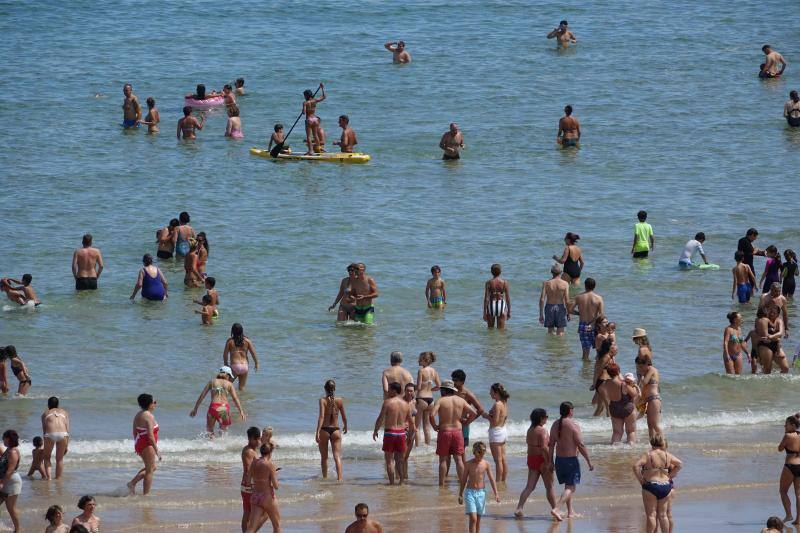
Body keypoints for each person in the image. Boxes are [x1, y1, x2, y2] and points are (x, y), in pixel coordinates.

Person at [549, 401, 593, 521]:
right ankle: (557, 508)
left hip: (559, 460)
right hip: (570, 461)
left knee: (567, 486)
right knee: (571, 488)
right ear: (570, 411)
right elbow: (581, 445)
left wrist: (550, 461)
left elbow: (551, 445)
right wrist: (589, 461)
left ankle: (570, 512)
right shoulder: (573, 425)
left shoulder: (554, 424)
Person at [429, 380, 478, 486]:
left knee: (443, 460)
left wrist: (434, 426)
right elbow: (474, 413)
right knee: (459, 459)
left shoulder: (441, 401)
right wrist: (466, 423)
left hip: (445, 431)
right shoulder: (460, 400)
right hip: (457, 432)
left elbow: (432, 415)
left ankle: (441, 485)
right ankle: (462, 483)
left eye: (441, 389)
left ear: (444, 390)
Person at [632, 433, 683, 533]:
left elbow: (635, 466)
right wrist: (670, 475)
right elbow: (680, 464)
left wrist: (641, 480)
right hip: (665, 486)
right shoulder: (667, 455)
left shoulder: (648, 455)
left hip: (651, 486)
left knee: (651, 515)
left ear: (652, 443)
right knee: (663, 515)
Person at [514, 408, 556, 518]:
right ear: (541, 418)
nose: (547, 418)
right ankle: (555, 509)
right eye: (546, 416)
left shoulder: (530, 430)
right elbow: (544, 448)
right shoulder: (542, 430)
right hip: (542, 460)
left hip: (531, 458)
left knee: (529, 486)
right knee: (549, 487)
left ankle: (519, 507)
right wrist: (550, 462)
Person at [372, 381, 415, 485]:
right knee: (400, 460)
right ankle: (401, 482)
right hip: (401, 433)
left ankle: (391, 483)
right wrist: (410, 435)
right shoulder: (406, 404)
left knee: (389, 460)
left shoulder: (387, 402)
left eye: (390, 389)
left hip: (390, 433)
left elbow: (380, 418)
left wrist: (375, 430)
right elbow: (411, 422)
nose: (388, 391)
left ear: (394, 390)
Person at [190, 367, 246, 436]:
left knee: (210, 431)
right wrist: (241, 411)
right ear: (227, 375)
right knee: (223, 431)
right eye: (229, 376)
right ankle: (221, 445)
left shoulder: (212, 381)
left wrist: (195, 408)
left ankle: (212, 445)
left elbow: (202, 395)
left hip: (213, 407)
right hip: (223, 408)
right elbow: (235, 398)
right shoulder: (229, 384)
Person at [458, 442, 500, 533]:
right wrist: (460, 494)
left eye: (482, 455)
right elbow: (464, 479)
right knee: (473, 518)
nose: (480, 457)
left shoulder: (486, 464)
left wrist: (496, 493)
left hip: (481, 493)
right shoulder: (468, 464)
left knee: (478, 519)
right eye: (478, 454)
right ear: (474, 452)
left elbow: (492, 479)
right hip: (470, 493)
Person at [126, 394, 160, 495]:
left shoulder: (139, 414)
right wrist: (157, 450)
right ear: (149, 404)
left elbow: (134, 432)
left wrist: (137, 445)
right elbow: (150, 436)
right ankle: (146, 495)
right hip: (147, 444)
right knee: (150, 470)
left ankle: (132, 483)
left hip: (141, 443)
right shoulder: (148, 416)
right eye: (154, 402)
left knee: (152, 467)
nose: (155, 404)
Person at [245, 442, 280, 533]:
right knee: (276, 525)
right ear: (270, 453)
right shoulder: (269, 465)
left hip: (256, 496)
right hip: (268, 497)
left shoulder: (254, 463)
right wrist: (275, 474)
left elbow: (248, 482)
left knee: (251, 527)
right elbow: (276, 486)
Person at [316, 379, 347, 481]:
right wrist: (346, 425)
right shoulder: (340, 400)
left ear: (325, 389)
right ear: (335, 389)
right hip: (336, 430)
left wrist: (317, 432)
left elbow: (321, 417)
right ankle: (340, 478)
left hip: (324, 430)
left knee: (324, 458)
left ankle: (325, 478)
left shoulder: (322, 400)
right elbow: (344, 416)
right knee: (337, 456)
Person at [599, 363, 638, 444]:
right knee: (631, 431)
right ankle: (631, 449)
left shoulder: (604, 384)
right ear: (618, 372)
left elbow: (602, 393)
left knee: (617, 432)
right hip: (627, 408)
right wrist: (634, 385)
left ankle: (614, 450)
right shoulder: (623, 384)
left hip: (613, 408)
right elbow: (634, 394)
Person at [452, 369, 485, 451]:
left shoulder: (467, 394)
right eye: (452, 379)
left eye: (456, 380)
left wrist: (468, 421)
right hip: (451, 424)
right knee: (450, 450)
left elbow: (480, 409)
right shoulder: (451, 391)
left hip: (463, 425)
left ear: (462, 382)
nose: (453, 382)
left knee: (461, 451)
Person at [571, 278, 604, 360]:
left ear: (585, 285)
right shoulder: (599, 298)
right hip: (595, 325)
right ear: (594, 286)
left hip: (583, 325)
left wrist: (579, 314)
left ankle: (585, 371)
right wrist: (593, 323)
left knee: (585, 353)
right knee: (599, 351)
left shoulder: (578, 297)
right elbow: (601, 315)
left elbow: (570, 310)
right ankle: (595, 371)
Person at [483, 383, 509, 483]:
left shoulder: (497, 404)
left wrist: (486, 416)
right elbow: (503, 417)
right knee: (503, 459)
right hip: (503, 430)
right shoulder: (504, 402)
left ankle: (498, 482)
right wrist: (491, 414)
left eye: (491, 392)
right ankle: (503, 481)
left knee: (498, 461)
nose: (490, 393)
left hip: (496, 432)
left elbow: (494, 422)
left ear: (496, 392)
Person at [223, 323, 259, 391]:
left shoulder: (230, 341)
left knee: (226, 386)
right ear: (242, 331)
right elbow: (253, 353)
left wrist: (226, 364)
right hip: (244, 366)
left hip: (235, 366)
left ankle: (224, 400)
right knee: (242, 388)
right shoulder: (247, 341)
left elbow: (225, 354)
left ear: (232, 331)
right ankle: (242, 400)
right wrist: (256, 363)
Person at [635, 353, 663, 439]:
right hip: (648, 400)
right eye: (637, 367)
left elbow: (644, 382)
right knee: (650, 426)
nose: (639, 369)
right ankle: (653, 444)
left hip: (654, 399)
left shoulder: (652, 370)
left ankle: (663, 444)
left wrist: (640, 374)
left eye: (641, 367)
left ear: (647, 364)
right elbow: (640, 384)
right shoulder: (644, 371)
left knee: (655, 425)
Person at [415, 351, 440, 445]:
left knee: (416, 427)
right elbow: (439, 386)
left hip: (421, 399)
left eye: (420, 359)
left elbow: (418, 387)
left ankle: (417, 448)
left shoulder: (421, 371)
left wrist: (411, 386)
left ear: (425, 360)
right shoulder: (434, 371)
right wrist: (430, 389)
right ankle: (427, 447)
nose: (418, 361)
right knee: (426, 426)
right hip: (430, 400)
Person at [778, 416, 800, 525]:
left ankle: (789, 515)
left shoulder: (787, 436)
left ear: (793, 425)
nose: (784, 426)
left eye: (786, 424)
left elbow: (780, 448)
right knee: (798, 494)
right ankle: (798, 519)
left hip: (790, 465)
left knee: (783, 491)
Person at [41, 396, 70, 479]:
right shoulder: (65, 412)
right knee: (59, 459)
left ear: (48, 405)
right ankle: (58, 478)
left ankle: (49, 478)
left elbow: (44, 430)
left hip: (50, 434)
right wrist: (67, 445)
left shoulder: (45, 413)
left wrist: (45, 443)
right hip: (63, 434)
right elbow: (68, 430)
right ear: (58, 404)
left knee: (47, 457)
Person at [539, 264, 570, 335]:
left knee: (550, 332)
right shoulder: (565, 284)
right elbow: (567, 300)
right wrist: (568, 312)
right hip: (560, 307)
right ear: (561, 272)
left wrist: (541, 314)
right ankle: (560, 346)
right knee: (561, 332)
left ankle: (551, 346)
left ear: (551, 272)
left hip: (549, 307)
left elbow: (542, 299)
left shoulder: (546, 283)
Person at [0, 430, 21, 533]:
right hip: (6, 481)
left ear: (8, 438)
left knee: (11, 508)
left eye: (3, 437)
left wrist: (2, 483)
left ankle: (17, 530)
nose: (2, 439)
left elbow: (10, 470)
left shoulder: (13, 451)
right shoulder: (8, 450)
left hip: (11, 482)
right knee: (10, 508)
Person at [240, 427, 261, 532]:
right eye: (258, 439)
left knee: (247, 512)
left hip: (245, 485)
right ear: (252, 438)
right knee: (261, 512)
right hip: (249, 485)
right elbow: (249, 471)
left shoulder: (248, 449)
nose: (259, 442)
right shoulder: (249, 452)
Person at [591, 337, 616, 416]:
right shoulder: (606, 357)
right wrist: (594, 384)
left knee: (600, 407)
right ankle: (610, 425)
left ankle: (593, 423)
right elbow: (597, 370)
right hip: (603, 382)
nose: (615, 347)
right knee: (608, 407)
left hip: (604, 382)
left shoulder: (608, 356)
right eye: (613, 345)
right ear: (609, 347)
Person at [484, 263, 511, 329]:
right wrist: (509, 311)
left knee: (490, 330)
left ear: (491, 272)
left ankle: (491, 339)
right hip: (501, 305)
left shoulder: (488, 282)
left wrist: (484, 312)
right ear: (500, 272)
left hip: (491, 305)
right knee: (501, 331)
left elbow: (486, 298)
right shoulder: (504, 282)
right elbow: (507, 298)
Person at [302, 84, 326, 155]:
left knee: (309, 136)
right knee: (315, 135)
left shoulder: (305, 103)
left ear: (306, 96)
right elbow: (324, 97)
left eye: (304, 96)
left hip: (309, 119)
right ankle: (319, 148)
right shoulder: (315, 100)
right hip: (315, 119)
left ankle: (310, 151)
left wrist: (303, 109)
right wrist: (322, 88)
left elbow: (303, 112)